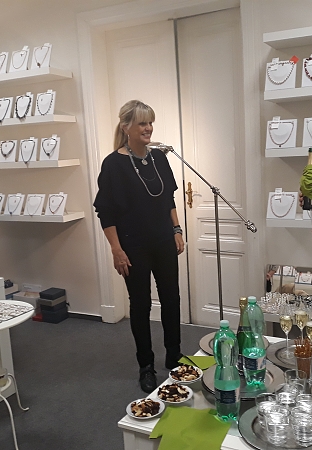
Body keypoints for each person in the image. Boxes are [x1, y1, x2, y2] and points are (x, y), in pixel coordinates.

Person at [93, 100, 185, 393]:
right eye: (142, 123)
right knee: (141, 304)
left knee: (171, 299)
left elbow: (168, 198)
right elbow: (105, 212)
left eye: (150, 122)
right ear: (126, 127)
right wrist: (116, 249)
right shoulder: (113, 164)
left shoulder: (159, 158)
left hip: (163, 240)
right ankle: (146, 366)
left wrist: (176, 229)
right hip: (132, 246)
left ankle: (174, 356)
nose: (148, 128)